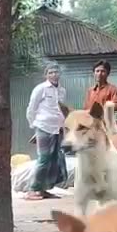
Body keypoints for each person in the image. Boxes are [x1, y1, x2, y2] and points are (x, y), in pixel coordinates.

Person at [24, 63, 69, 201]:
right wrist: (34, 125)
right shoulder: (41, 89)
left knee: (54, 159)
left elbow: (62, 110)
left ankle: (44, 189)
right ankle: (32, 189)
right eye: (50, 72)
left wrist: (64, 127)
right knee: (43, 158)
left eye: (56, 72)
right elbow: (31, 108)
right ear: (46, 75)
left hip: (57, 128)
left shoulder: (62, 91)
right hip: (43, 126)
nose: (54, 74)